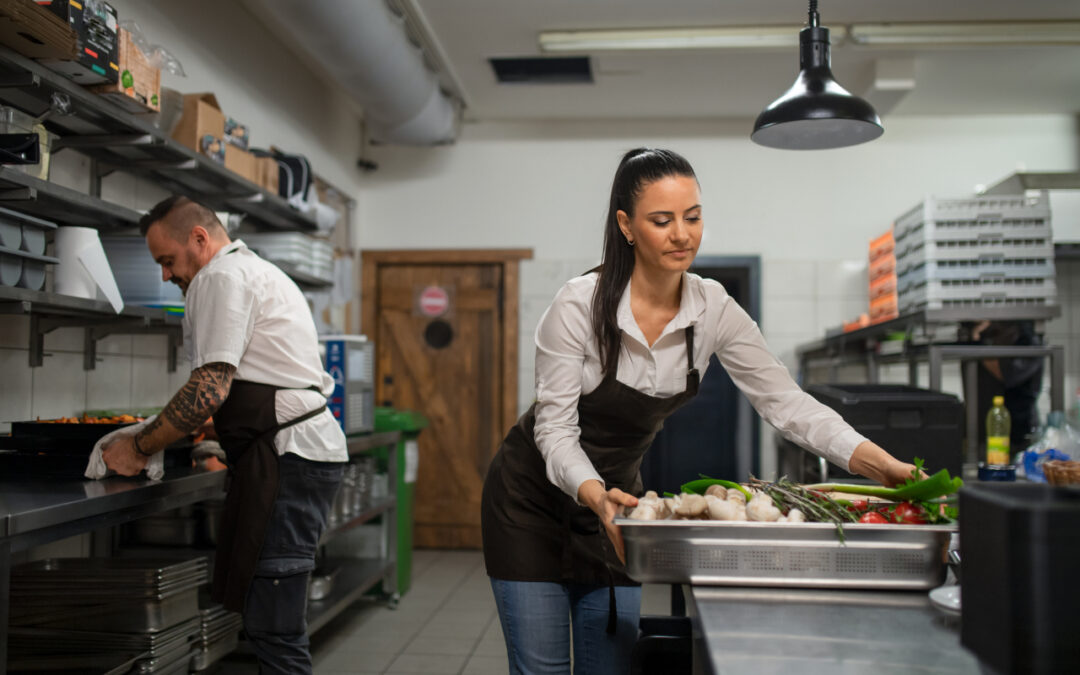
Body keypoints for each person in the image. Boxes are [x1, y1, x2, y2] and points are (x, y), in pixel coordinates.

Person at [480, 148, 918, 675]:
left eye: (693, 217)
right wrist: (595, 496)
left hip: (618, 508)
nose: (682, 234)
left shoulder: (713, 309)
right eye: (662, 221)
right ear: (626, 225)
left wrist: (881, 466)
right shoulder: (579, 306)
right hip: (530, 504)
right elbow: (554, 431)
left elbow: (786, 402)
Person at [102, 196, 347, 675]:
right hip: (293, 455)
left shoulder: (220, 276)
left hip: (287, 461)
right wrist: (217, 435)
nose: (165, 276)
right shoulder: (252, 271)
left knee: (275, 625)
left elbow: (210, 387)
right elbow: (254, 383)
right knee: (267, 617)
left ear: (199, 239)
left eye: (166, 261)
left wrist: (138, 447)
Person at [969, 320, 1044, 452]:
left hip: (1021, 428)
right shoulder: (996, 335)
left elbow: (1006, 373)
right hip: (993, 431)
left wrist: (978, 345)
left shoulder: (1027, 339)